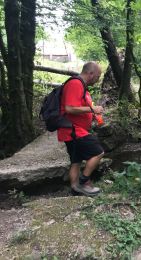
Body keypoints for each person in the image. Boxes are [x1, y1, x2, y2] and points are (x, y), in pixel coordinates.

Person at [57, 62, 104, 196]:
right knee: (98, 152)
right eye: (98, 76)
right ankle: (84, 182)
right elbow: (69, 108)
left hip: (73, 130)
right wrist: (92, 109)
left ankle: (75, 189)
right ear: (90, 74)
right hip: (73, 130)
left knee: (76, 161)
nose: (98, 79)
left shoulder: (81, 86)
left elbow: (79, 107)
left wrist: (92, 115)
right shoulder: (75, 84)